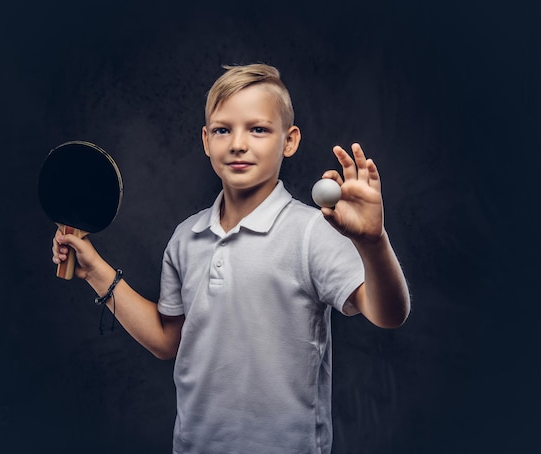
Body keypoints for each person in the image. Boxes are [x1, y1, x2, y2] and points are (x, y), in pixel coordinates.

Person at [52, 63, 410, 453]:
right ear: (206, 140)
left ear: (289, 141)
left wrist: (373, 242)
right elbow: (166, 340)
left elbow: (388, 314)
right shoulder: (186, 238)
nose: (238, 143)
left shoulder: (313, 232)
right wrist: (94, 271)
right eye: (223, 130)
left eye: (258, 129)